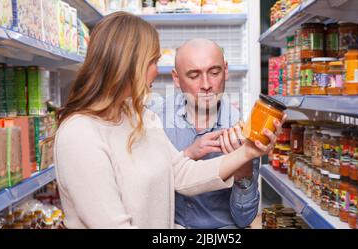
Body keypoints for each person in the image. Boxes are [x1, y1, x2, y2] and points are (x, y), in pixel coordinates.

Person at [52, 12, 284, 229]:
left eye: (214, 72)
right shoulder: (79, 135)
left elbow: (181, 173)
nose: (156, 70)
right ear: (127, 65)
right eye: (152, 61)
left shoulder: (140, 116)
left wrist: (248, 153)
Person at [150, 39, 260, 229]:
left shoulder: (242, 132)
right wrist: (186, 155)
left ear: (225, 70)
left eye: (214, 72)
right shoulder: (155, 119)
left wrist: (244, 172)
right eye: (194, 76)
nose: (206, 84)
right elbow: (144, 188)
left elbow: (245, 219)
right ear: (176, 79)